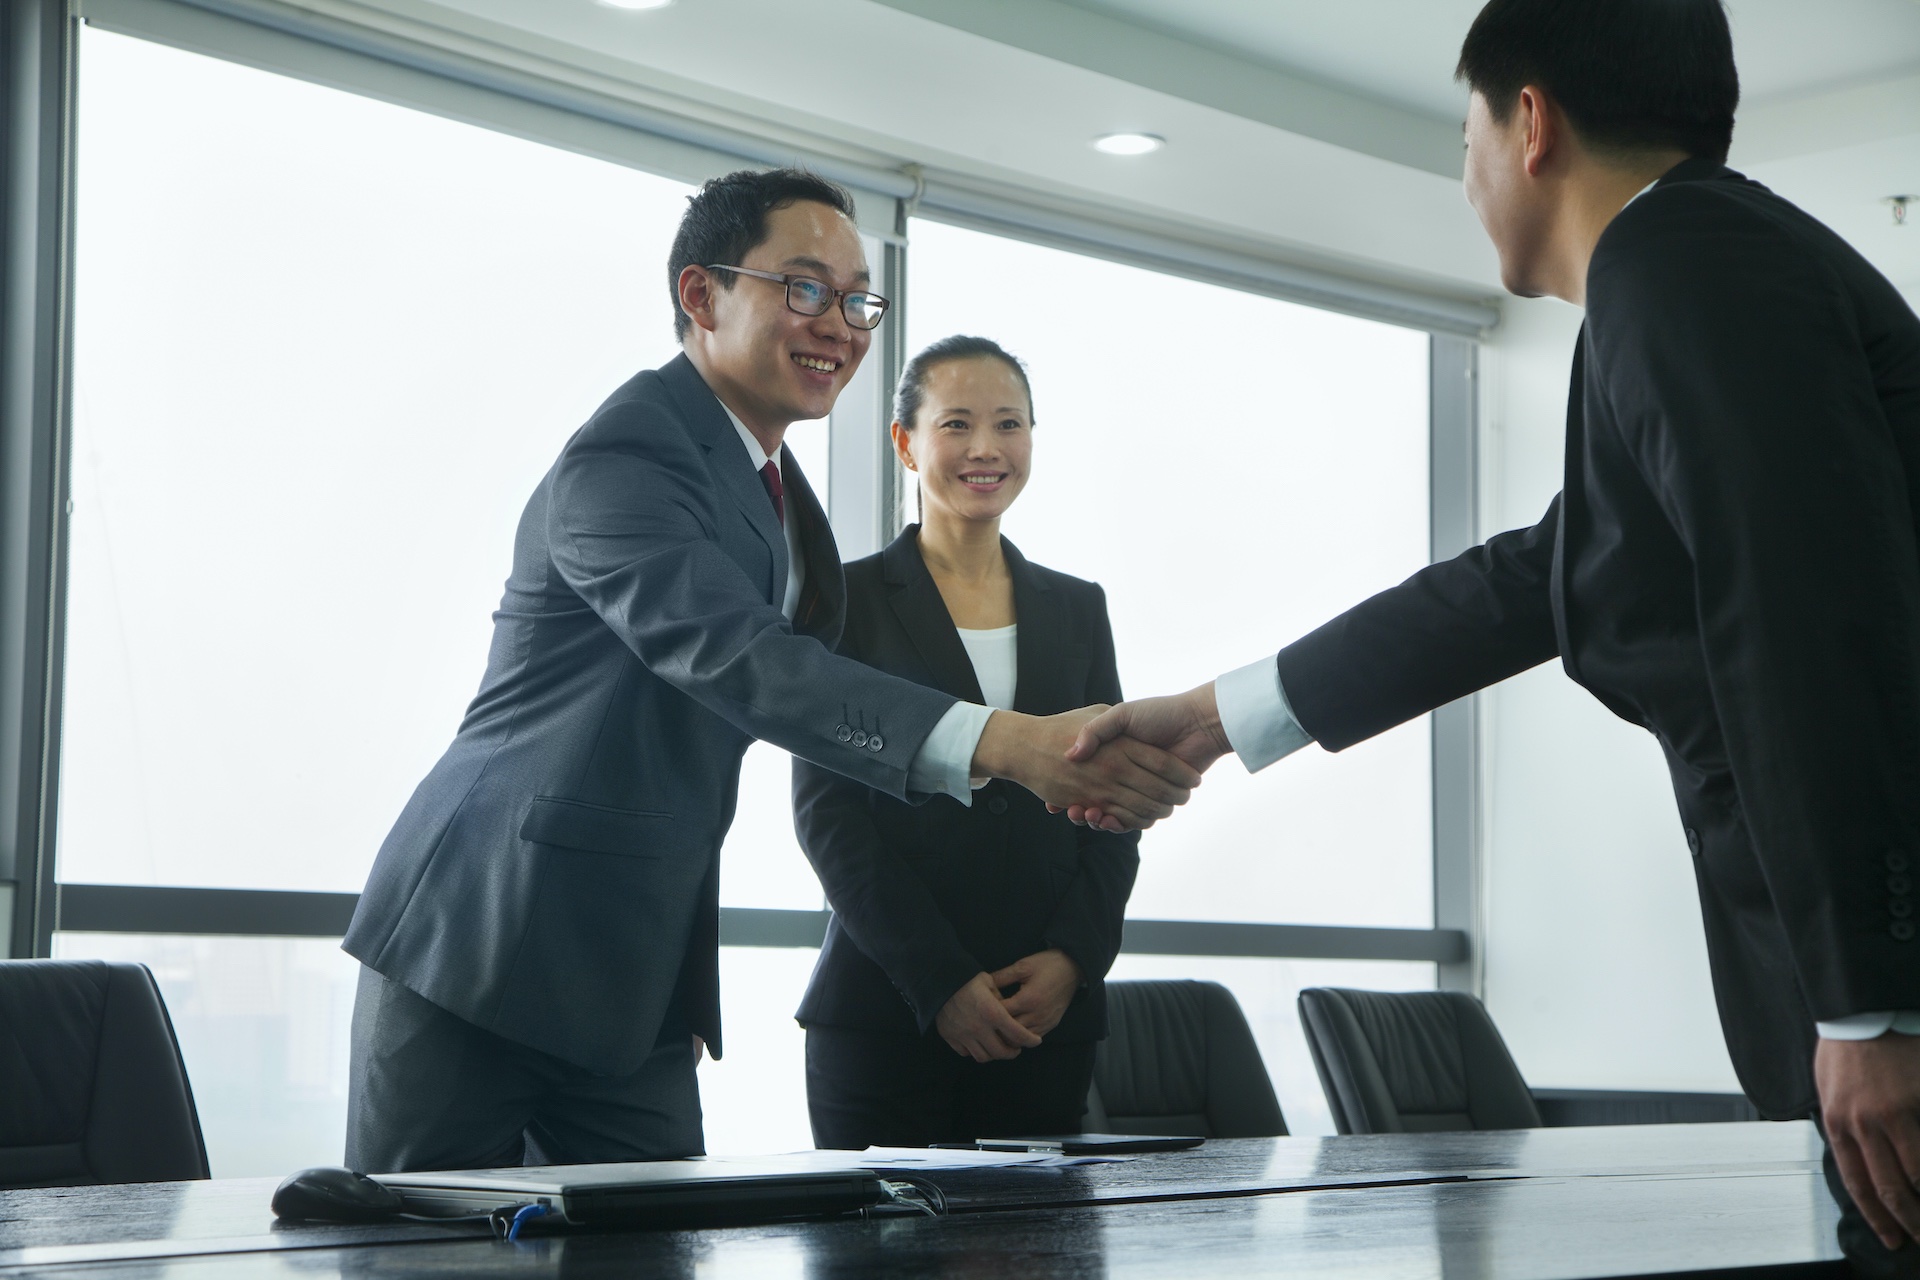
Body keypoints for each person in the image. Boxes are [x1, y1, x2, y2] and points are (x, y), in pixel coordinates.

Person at [1066, 1, 1920, 1272]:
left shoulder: (1681, 261)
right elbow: (1539, 576)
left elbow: (1804, 614)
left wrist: (1872, 1001)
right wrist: (1215, 715)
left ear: (1530, 122)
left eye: (1460, 128)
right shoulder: (1696, 268)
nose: (1461, 173)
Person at [340, 169, 1199, 1174]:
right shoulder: (626, 455)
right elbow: (744, 661)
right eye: (803, 288)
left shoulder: (785, 500)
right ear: (701, 297)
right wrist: (1010, 743)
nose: (837, 322)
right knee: (417, 1255)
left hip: (633, 993)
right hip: (481, 950)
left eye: (855, 299)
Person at [792, 336, 1137, 1148]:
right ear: (906, 442)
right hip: (886, 1014)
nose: (986, 448)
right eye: (957, 424)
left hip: (1041, 1019)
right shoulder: (846, 600)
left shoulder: (1077, 608)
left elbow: (1117, 802)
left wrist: (1074, 961)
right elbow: (828, 814)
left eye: (1009, 424)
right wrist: (938, 980)